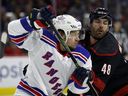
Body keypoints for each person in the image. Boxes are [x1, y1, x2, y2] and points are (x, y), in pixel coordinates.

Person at [8, 7, 92, 96]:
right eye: (74, 34)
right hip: (27, 92)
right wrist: (33, 22)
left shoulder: (83, 56)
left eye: (78, 34)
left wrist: (83, 82)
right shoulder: (41, 38)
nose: (77, 38)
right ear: (61, 34)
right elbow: (13, 31)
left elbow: (74, 89)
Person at [79, 7, 128, 96]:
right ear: (90, 23)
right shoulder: (85, 37)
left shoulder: (108, 49)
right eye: (97, 22)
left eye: (105, 23)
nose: (101, 26)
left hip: (123, 88)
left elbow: (96, 89)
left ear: (109, 26)